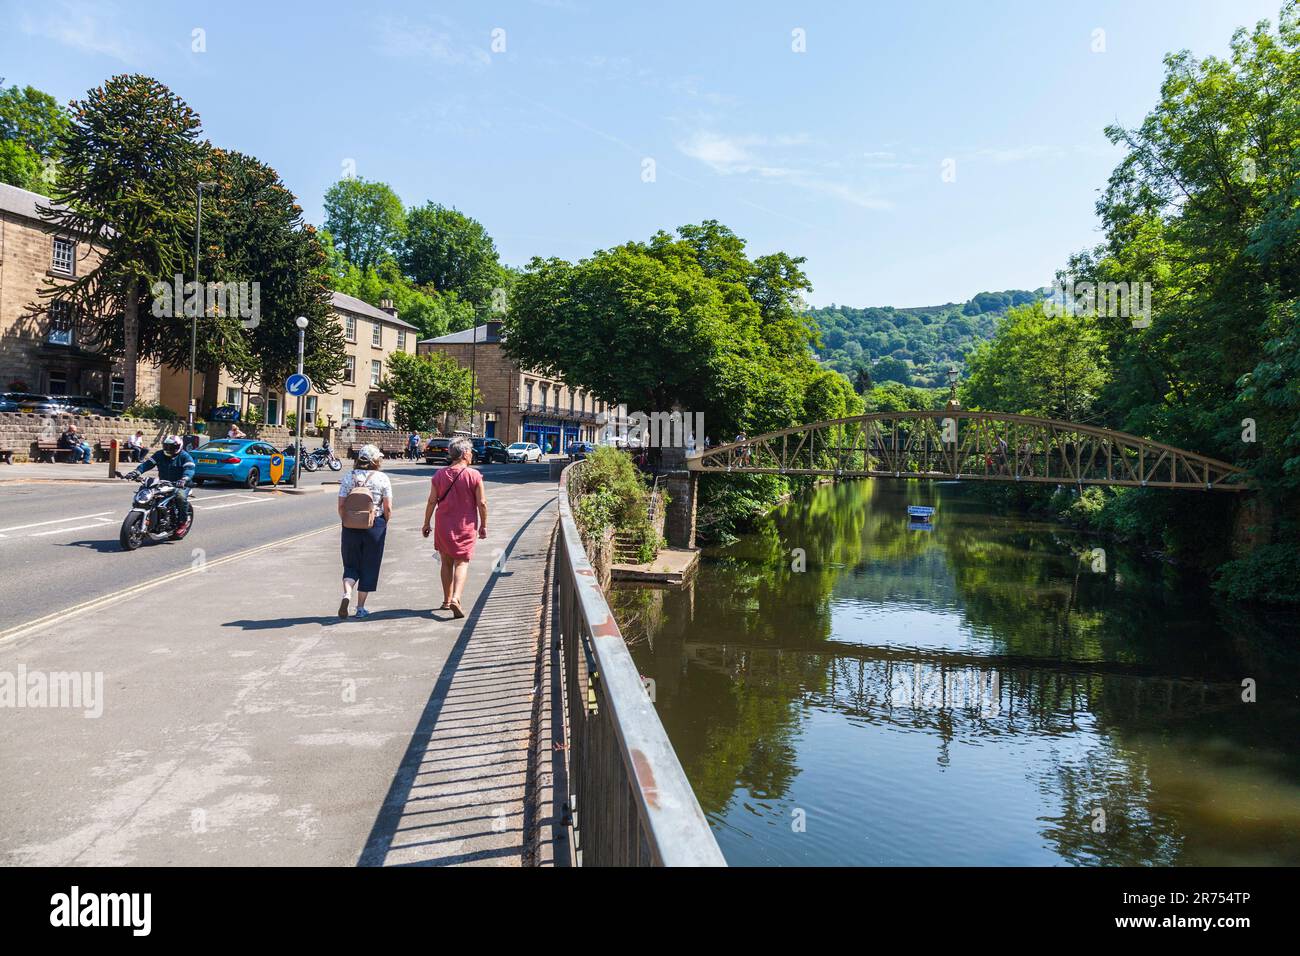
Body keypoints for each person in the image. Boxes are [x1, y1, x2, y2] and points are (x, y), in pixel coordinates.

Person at [423, 436, 487, 618]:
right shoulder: (474, 475)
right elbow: (481, 503)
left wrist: (426, 523)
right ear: (465, 453)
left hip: (443, 524)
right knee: (462, 561)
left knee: (446, 562)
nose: (472, 454)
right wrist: (484, 525)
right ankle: (456, 598)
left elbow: (431, 501)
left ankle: (446, 600)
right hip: (465, 525)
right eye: (471, 451)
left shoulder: (439, 475)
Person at [337, 444, 393, 619]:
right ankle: (360, 608)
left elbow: (341, 505)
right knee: (370, 565)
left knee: (351, 564)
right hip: (374, 525)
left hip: (350, 525)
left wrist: (346, 521)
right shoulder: (382, 478)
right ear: (376, 460)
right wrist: (383, 522)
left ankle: (347, 593)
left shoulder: (348, 477)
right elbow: (388, 507)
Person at [126, 435, 195, 532]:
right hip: (163, 482)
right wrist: (136, 472)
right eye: (166, 446)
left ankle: (182, 522)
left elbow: (190, 469)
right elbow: (147, 464)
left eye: (171, 447)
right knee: (145, 490)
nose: (168, 449)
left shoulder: (185, 456)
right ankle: (142, 512)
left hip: (181, 484)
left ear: (178, 446)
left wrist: (184, 479)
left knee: (180, 496)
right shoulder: (159, 454)